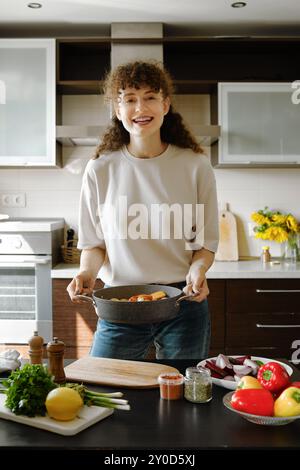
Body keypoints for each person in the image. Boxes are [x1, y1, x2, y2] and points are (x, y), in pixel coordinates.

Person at [67, 60, 219, 360]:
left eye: (150, 97)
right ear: (117, 109)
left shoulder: (195, 166)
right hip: (119, 303)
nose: (140, 108)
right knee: (107, 391)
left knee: (183, 396)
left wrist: (198, 269)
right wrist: (86, 272)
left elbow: (204, 245)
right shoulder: (100, 169)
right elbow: (94, 245)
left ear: (165, 104)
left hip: (183, 303)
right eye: (130, 100)